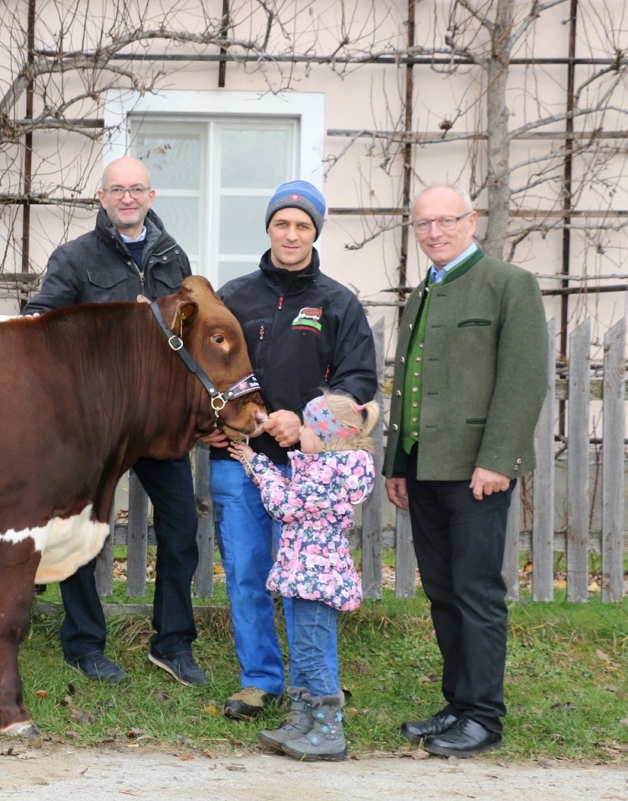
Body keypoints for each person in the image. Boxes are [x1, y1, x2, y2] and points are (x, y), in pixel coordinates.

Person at [22, 156, 208, 686]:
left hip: (157, 423)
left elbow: (191, 341)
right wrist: (113, 326)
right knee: (82, 531)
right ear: (101, 199)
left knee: (180, 530)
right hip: (95, 426)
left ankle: (172, 644)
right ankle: (83, 644)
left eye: (137, 189)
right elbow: (39, 325)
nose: (127, 198)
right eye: (117, 190)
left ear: (151, 196)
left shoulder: (174, 258)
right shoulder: (75, 257)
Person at [384, 184, 549, 758]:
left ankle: (484, 716)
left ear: (470, 220)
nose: (434, 232)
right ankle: (457, 704)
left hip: (477, 470)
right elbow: (408, 385)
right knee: (443, 592)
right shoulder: (422, 293)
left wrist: (498, 459)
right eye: (423, 224)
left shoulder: (509, 284)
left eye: (445, 221)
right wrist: (398, 463)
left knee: (477, 593)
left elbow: (526, 379)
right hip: (424, 469)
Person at [204, 180, 377, 720]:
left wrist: (301, 418)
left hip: (310, 476)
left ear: (315, 233)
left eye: (303, 225)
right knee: (247, 573)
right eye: (283, 223)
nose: (292, 233)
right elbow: (202, 371)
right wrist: (206, 422)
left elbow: (359, 380)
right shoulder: (235, 297)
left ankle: (315, 683)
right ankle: (259, 680)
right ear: (269, 228)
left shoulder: (338, 303)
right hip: (239, 464)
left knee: (308, 581)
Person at [227, 391, 379, 761]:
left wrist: (257, 464)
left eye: (309, 426)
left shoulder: (328, 472)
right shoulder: (321, 466)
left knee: (311, 655)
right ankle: (302, 720)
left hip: (317, 579)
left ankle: (329, 732)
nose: (302, 431)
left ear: (329, 434)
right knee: (304, 652)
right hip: (306, 575)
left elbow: (284, 505)